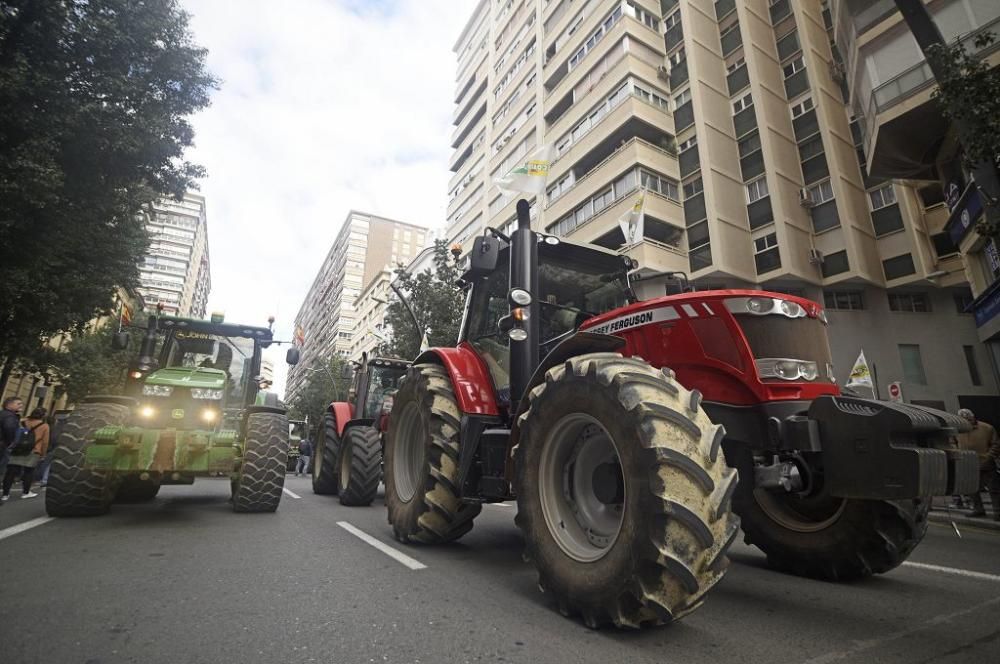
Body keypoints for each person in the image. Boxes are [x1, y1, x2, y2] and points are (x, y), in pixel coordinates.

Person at [955, 408, 1000, 520]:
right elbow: (952, 442)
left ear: (973, 417)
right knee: (972, 489)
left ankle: (998, 512)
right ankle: (978, 509)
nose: (966, 422)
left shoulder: (987, 428)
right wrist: (958, 454)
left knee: (994, 489)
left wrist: (988, 456)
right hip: (968, 463)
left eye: (968, 419)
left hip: (986, 463)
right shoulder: (958, 430)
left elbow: (996, 444)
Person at [2, 406, 49, 501]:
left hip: (18, 449)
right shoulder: (44, 426)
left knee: (10, 472)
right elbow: (45, 442)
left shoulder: (22, 421)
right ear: (43, 415)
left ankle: (5, 494)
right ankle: (26, 492)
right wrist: (43, 454)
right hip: (33, 450)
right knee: (29, 472)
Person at [0, 397, 24, 505]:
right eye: (18, 404)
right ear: (9, 405)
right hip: (3, 446)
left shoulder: (3, 414)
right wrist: (10, 443)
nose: (21, 406)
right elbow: (9, 428)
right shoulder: (10, 416)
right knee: (1, 470)